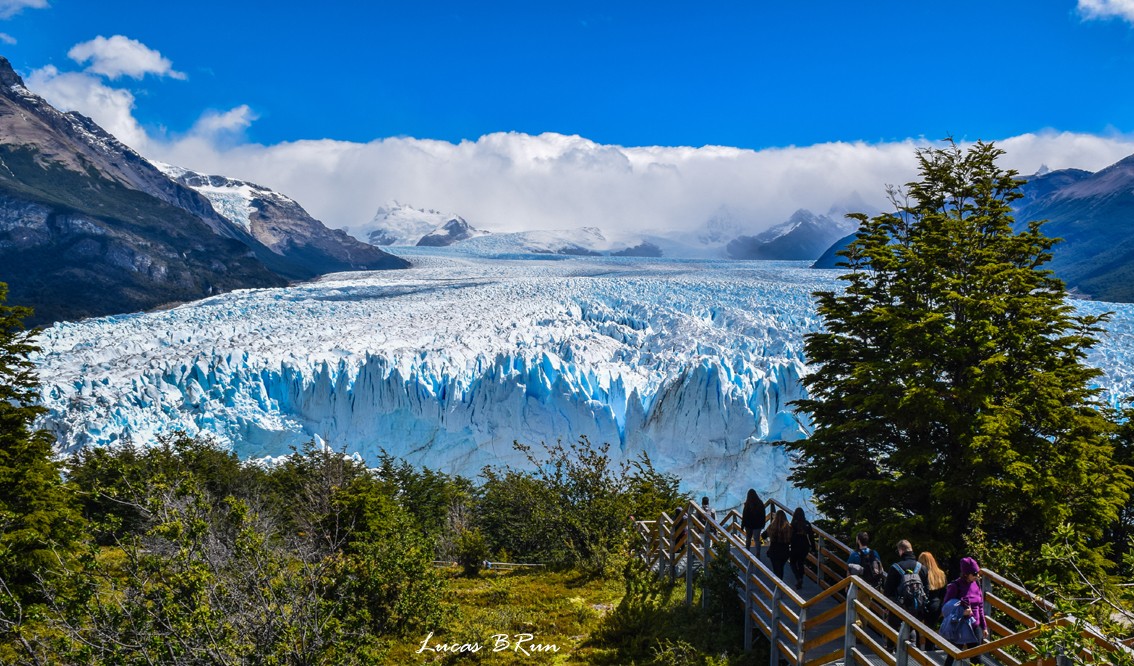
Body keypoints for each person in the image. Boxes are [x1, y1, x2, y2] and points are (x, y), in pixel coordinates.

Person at [941, 557, 988, 666]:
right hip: (959, 626)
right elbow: (946, 608)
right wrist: (962, 612)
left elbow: (980, 606)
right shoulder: (955, 586)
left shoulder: (976, 584)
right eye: (975, 573)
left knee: (977, 659)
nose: (977, 576)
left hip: (975, 626)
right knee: (952, 657)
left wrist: (984, 627)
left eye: (978, 573)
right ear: (966, 573)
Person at [884, 540, 929, 646]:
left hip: (897, 607)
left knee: (893, 629)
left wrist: (886, 606)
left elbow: (888, 590)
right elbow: (926, 589)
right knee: (911, 627)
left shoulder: (895, 567)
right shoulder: (922, 568)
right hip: (916, 607)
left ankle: (890, 652)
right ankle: (911, 651)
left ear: (901, 550)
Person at [918, 551, 947, 651]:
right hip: (936, 605)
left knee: (918, 629)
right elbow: (944, 593)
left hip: (923, 604)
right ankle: (930, 653)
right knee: (931, 631)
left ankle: (917, 652)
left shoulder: (921, 573)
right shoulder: (941, 574)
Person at [761, 509, 792, 580]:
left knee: (776, 569)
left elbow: (763, 536)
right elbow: (791, 540)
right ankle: (780, 583)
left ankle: (778, 585)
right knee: (781, 568)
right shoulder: (789, 528)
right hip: (785, 551)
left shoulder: (772, 527)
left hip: (774, 551)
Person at [788, 507, 814, 590]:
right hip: (805, 545)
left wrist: (787, 544)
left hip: (795, 545)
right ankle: (801, 578)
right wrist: (813, 548)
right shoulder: (807, 524)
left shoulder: (793, 524)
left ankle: (798, 578)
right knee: (801, 562)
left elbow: (790, 536)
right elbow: (811, 537)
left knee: (792, 562)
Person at [741, 489, 765, 556]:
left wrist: (742, 525)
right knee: (757, 539)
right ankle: (758, 553)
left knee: (748, 538)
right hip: (757, 525)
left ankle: (747, 551)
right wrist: (762, 524)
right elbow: (763, 515)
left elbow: (744, 515)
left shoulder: (747, 504)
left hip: (748, 525)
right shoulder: (760, 503)